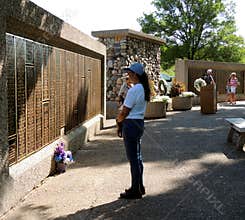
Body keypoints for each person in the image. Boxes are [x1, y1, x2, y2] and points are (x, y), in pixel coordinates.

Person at [116, 62, 150, 199]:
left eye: (129, 73)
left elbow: (125, 111)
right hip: (139, 122)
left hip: (130, 124)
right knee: (138, 157)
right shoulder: (142, 88)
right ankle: (139, 186)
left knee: (133, 159)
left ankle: (135, 189)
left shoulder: (134, 90)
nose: (127, 75)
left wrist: (118, 121)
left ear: (135, 74)